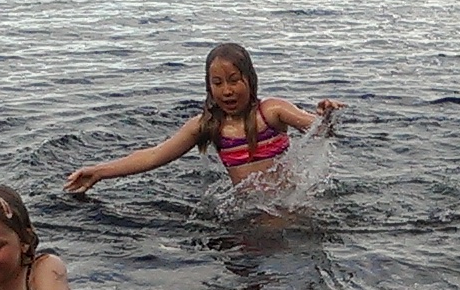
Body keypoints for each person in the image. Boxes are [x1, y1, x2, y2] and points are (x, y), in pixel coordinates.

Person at [64, 42, 341, 194]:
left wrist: (326, 116)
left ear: (250, 79)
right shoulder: (209, 125)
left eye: (234, 80)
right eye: (218, 83)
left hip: (290, 207)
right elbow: (154, 156)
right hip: (248, 213)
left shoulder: (271, 111)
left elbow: (319, 130)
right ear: (209, 87)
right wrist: (99, 172)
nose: (227, 90)